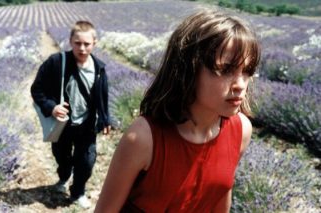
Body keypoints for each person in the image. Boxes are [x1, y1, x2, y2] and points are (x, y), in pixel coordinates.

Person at [95, 9, 260, 213]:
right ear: (188, 69)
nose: (240, 85)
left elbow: (221, 191)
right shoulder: (143, 138)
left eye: (247, 72)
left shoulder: (241, 130)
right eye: (225, 70)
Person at [31, 20, 111, 209]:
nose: (82, 48)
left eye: (87, 44)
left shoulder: (100, 69)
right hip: (62, 124)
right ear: (70, 41)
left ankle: (78, 191)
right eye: (77, 43)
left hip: (87, 125)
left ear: (94, 43)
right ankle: (64, 176)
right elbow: (37, 89)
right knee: (62, 157)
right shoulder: (57, 62)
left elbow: (103, 98)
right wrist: (51, 107)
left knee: (87, 160)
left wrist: (105, 118)